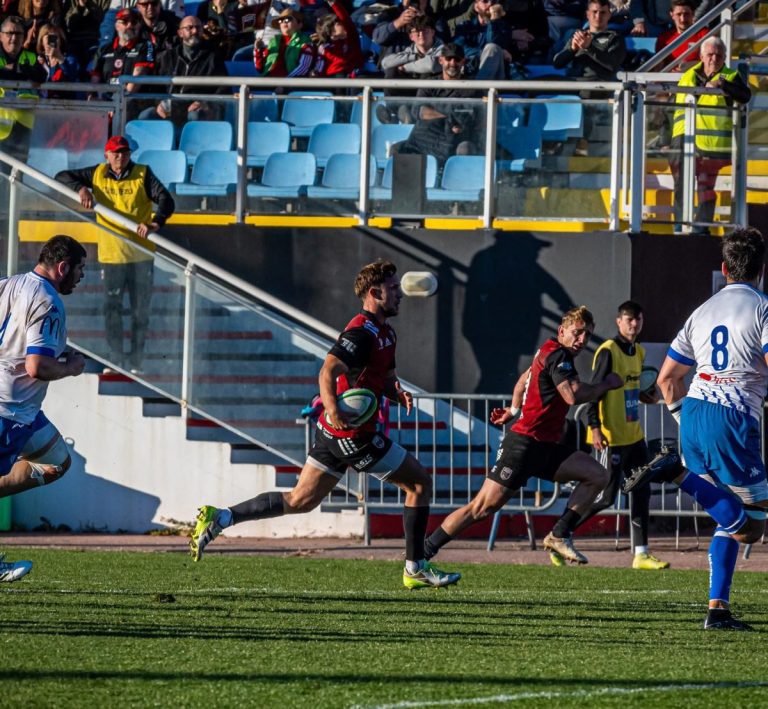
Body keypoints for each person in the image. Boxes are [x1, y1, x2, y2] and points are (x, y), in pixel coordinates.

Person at [190, 259, 462, 590]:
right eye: (393, 289)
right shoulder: (361, 332)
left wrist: (396, 392)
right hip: (352, 433)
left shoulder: (386, 332)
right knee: (419, 483)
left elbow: (384, 378)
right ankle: (415, 567)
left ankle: (220, 517)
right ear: (374, 292)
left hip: (336, 432)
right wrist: (333, 409)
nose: (399, 294)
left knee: (301, 500)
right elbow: (328, 370)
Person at [637, 227, 768, 630]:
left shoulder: (701, 311)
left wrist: (683, 419)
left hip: (693, 412)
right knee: (753, 526)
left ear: (725, 268)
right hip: (731, 419)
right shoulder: (762, 307)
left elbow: (666, 380)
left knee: (729, 521)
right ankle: (674, 472)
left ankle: (718, 609)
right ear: (761, 270)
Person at [423, 306, 623, 566]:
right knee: (482, 508)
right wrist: (607, 384)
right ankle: (424, 550)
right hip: (523, 445)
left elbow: (522, 381)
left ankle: (560, 534)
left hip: (545, 446)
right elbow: (572, 395)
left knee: (597, 475)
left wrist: (513, 409)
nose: (582, 340)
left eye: (587, 335)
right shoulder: (558, 355)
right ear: (562, 331)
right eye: (577, 332)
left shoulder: (547, 351)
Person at [0, 235, 87, 583]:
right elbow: (37, 366)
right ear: (63, 267)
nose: (82, 277)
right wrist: (71, 367)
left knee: (57, 461)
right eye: (80, 269)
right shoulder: (48, 302)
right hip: (10, 412)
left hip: (24, 413)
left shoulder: (10, 284)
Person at [55, 135, 175, 374]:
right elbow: (62, 176)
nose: (121, 157)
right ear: (106, 155)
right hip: (112, 256)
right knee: (112, 309)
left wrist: (155, 223)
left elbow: (166, 200)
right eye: (116, 153)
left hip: (140, 255)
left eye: (125, 153)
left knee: (140, 311)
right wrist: (81, 188)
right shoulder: (97, 173)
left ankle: (136, 362)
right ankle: (116, 361)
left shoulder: (142, 173)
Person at [574, 301, 670, 570]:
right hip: (610, 437)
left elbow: (632, 389)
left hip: (633, 436)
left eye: (638, 319)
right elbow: (594, 391)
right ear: (618, 322)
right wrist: (593, 428)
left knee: (641, 490)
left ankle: (641, 553)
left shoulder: (638, 352)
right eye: (628, 319)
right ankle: (561, 533)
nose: (634, 324)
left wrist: (645, 396)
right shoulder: (608, 351)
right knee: (605, 497)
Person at [669, 36, 751, 235]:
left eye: (719, 55)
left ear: (724, 58)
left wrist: (721, 83)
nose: (714, 59)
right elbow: (672, 107)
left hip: (712, 144)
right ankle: (680, 226)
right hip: (683, 138)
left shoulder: (730, 76)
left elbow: (744, 95)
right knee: (681, 183)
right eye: (710, 54)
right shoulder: (688, 74)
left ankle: (701, 227)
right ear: (701, 56)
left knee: (705, 186)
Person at [552, 0, 626, 156]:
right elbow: (557, 63)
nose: (598, 16)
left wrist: (589, 47)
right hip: (573, 81)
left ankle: (581, 142)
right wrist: (572, 49)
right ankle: (549, 140)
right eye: (594, 12)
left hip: (598, 84)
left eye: (602, 12)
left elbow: (612, 64)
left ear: (609, 15)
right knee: (539, 85)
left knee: (586, 92)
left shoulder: (615, 38)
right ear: (587, 14)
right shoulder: (578, 36)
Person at [393, 43, 483, 166]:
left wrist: (436, 113)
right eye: (448, 59)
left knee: (466, 148)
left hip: (455, 139)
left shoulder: (473, 88)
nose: (452, 63)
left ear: (463, 61)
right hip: (427, 136)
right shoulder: (430, 84)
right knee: (396, 149)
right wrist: (449, 117)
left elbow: (475, 118)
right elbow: (419, 111)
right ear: (440, 60)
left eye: (457, 59)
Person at [139, 15, 228, 127]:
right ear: (180, 33)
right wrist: (158, 103)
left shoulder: (213, 58)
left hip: (195, 109)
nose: (195, 31)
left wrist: (206, 103)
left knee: (195, 116)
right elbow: (153, 87)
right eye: (189, 28)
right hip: (169, 108)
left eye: (198, 27)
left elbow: (223, 89)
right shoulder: (167, 57)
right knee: (146, 115)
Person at [90, 8, 156, 120]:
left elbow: (135, 82)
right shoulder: (104, 50)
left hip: (132, 104)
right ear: (116, 26)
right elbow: (94, 83)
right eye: (125, 22)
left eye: (134, 22)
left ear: (139, 26)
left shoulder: (146, 46)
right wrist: (95, 100)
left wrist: (117, 105)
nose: (130, 25)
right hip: (105, 105)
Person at [0, 15, 46, 166]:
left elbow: (41, 75)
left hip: (24, 129)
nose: (14, 38)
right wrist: (21, 72)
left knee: (18, 177)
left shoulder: (31, 56)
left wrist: (13, 70)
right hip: (1, 129)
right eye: (9, 33)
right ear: (1, 36)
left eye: (18, 34)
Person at [453, 1, 533, 80]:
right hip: (471, 69)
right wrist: (488, 53)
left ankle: (479, 90)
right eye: (485, 1)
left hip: (497, 73)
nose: (490, 4)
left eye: (493, 1)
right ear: (476, 7)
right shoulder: (464, 27)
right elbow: (460, 50)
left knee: (492, 48)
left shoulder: (503, 27)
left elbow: (494, 45)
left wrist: (493, 21)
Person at [254, 7, 315, 77]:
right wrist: (258, 50)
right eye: (280, 20)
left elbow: (303, 68)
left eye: (287, 19)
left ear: (299, 25)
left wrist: (285, 84)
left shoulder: (306, 42)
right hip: (268, 81)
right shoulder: (273, 41)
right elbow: (260, 69)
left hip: (290, 84)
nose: (283, 22)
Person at [313, 0, 363, 78]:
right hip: (332, 78)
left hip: (352, 77)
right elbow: (320, 67)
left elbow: (345, 18)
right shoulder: (324, 48)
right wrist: (315, 73)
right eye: (338, 23)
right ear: (331, 31)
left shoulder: (352, 39)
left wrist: (333, 3)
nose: (343, 24)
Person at [654, 0, 707, 70]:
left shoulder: (704, 34)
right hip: (669, 79)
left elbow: (712, 62)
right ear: (672, 15)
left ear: (693, 14)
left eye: (686, 14)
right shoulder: (664, 38)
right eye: (678, 14)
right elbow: (658, 68)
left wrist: (688, 67)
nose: (683, 19)